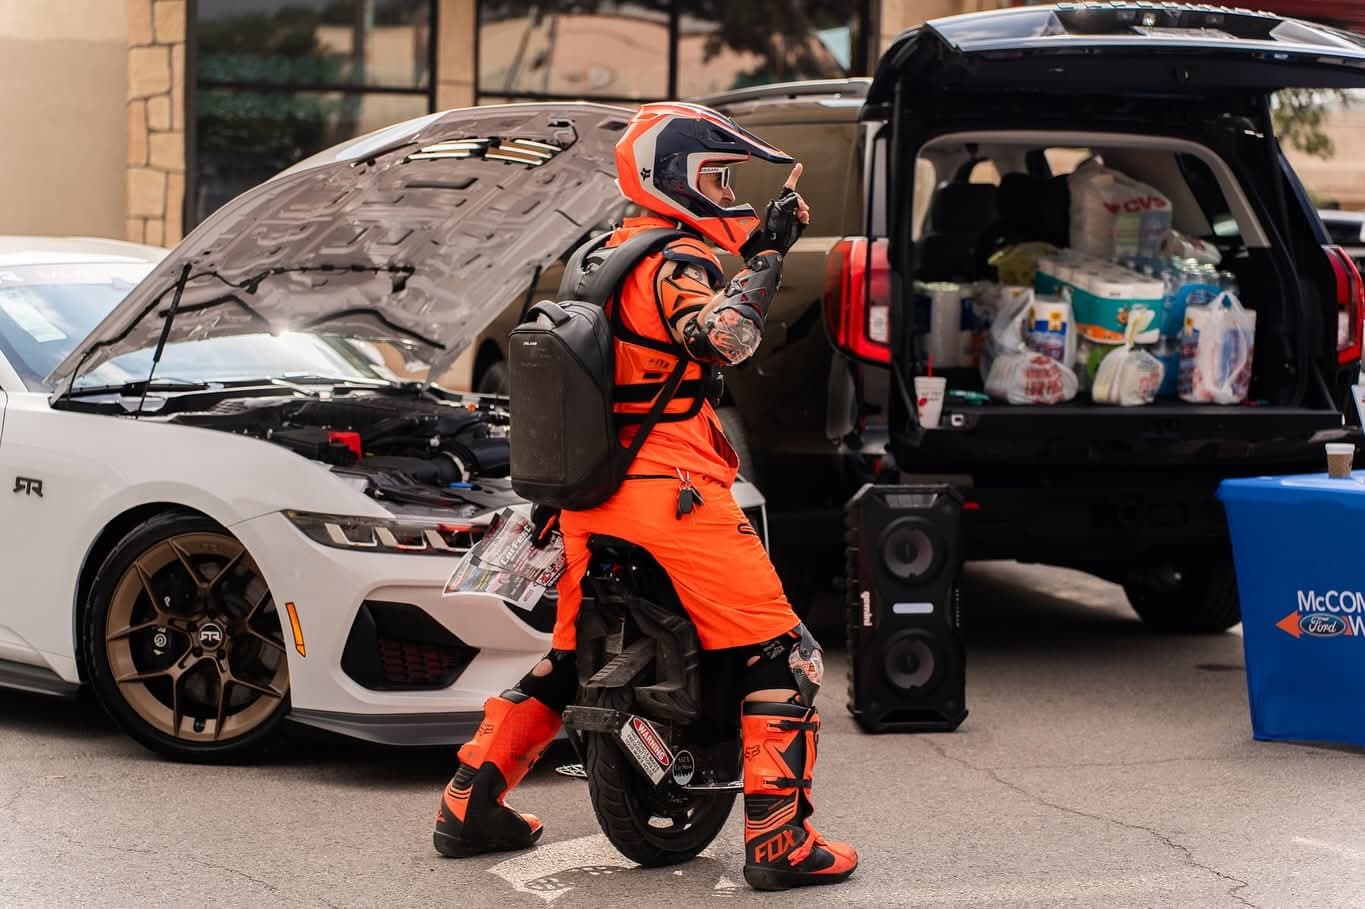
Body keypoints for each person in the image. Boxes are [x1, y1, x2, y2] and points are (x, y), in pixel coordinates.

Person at [430, 101, 858, 892]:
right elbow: (723, 338)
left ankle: (469, 803)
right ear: (676, 178)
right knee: (783, 651)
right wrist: (769, 260)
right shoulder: (678, 263)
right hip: (672, 489)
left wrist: (755, 248)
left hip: (590, 493)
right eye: (717, 178)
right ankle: (781, 839)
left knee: (567, 660)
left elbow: (643, 345)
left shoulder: (605, 253)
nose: (727, 193)